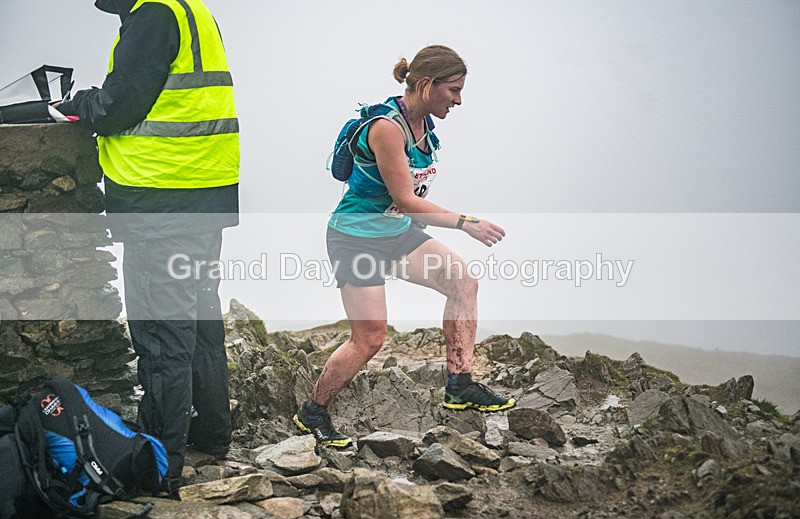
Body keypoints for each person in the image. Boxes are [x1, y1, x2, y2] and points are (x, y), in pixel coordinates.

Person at [57, 0, 239, 490]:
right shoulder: (190, 11)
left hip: (160, 200)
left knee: (162, 332)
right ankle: (211, 432)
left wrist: (77, 104)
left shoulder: (154, 17)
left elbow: (118, 107)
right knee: (199, 319)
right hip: (204, 192)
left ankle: (160, 457)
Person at [294, 45, 515, 448]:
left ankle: (460, 384)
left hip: (396, 233)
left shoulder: (425, 127)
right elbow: (409, 198)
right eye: (453, 90)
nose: (459, 100)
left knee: (463, 282)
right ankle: (313, 411)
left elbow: (407, 204)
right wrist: (466, 223)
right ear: (428, 84)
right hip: (355, 237)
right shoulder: (386, 128)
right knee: (370, 339)